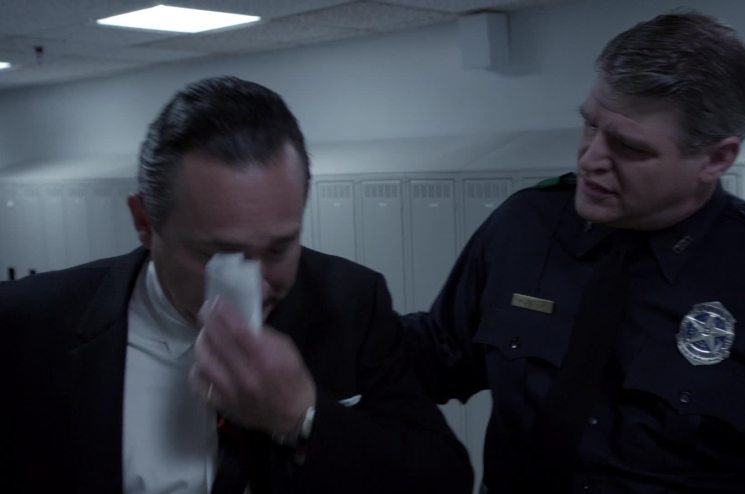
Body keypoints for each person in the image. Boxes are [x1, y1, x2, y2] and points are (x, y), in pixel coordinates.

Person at [2, 76, 472, 493]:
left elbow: (443, 478)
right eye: (221, 256)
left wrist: (302, 416)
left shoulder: (351, 303)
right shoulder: (27, 325)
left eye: (279, 248)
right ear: (144, 222)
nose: (258, 288)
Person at [403, 11, 745, 493]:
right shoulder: (526, 225)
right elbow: (439, 356)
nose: (591, 159)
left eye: (629, 147)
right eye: (590, 125)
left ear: (715, 159)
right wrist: (337, 304)